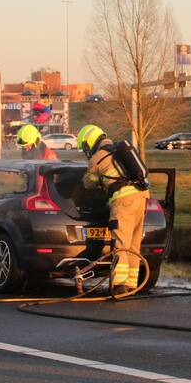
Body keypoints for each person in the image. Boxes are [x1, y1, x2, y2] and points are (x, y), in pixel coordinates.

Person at [76, 124, 149, 295]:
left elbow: (88, 183)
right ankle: (132, 285)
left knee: (121, 245)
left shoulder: (98, 157)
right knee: (133, 244)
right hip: (142, 197)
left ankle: (119, 285)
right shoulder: (119, 150)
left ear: (90, 143)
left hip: (123, 202)